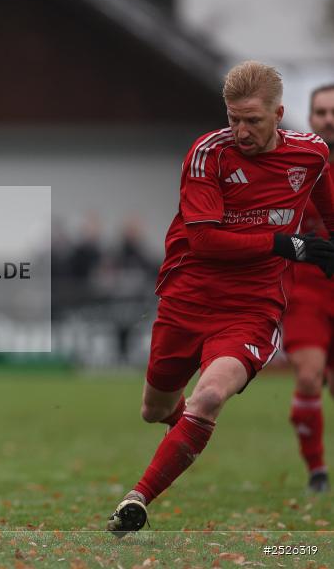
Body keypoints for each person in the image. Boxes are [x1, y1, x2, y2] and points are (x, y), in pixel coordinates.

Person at [107, 61, 334, 536]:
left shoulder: (311, 155)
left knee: (210, 396)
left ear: (280, 114)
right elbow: (207, 241)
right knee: (154, 408)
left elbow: (330, 213)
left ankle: (137, 499)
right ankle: (184, 430)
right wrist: (285, 243)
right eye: (233, 118)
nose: (240, 131)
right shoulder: (208, 155)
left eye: (252, 120)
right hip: (188, 295)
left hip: (253, 306)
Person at [282, 83, 334, 493]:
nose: (328, 119)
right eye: (320, 112)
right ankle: (317, 470)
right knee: (308, 375)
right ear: (310, 117)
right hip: (306, 290)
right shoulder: (295, 165)